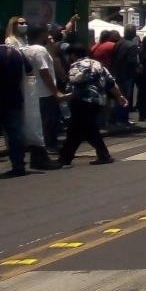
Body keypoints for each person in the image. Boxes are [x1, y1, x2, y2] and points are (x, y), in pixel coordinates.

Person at [60, 41, 124, 166]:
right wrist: (120, 96)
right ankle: (65, 157)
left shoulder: (76, 66)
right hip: (98, 101)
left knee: (84, 129)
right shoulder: (98, 64)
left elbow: (73, 83)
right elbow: (110, 82)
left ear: (73, 55)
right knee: (79, 129)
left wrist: (65, 96)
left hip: (82, 102)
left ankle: (103, 155)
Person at [19, 24, 63, 171]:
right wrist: (55, 90)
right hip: (44, 92)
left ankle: (38, 158)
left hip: (31, 92)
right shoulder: (39, 50)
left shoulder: (24, 49)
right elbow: (45, 71)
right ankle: (41, 158)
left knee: (37, 126)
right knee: (46, 125)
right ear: (42, 34)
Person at [0, 37, 32, 178]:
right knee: (15, 134)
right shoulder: (16, 52)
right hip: (14, 97)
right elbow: (29, 70)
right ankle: (18, 165)